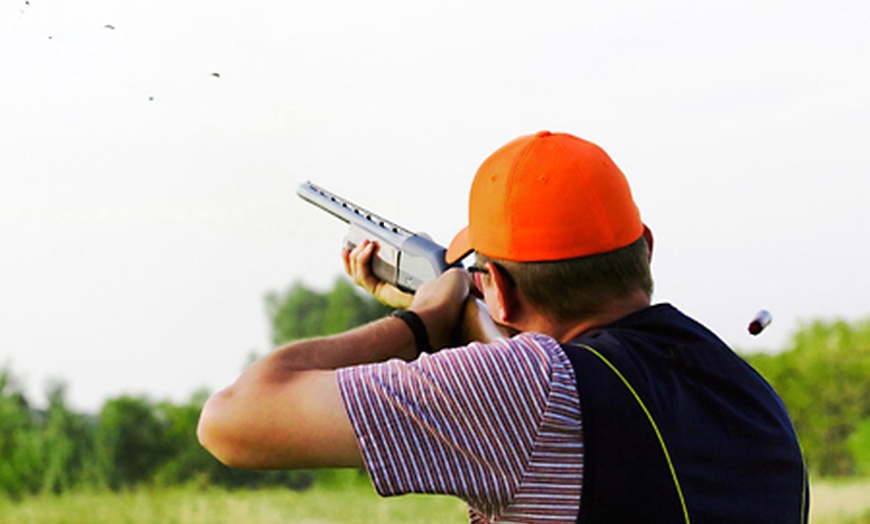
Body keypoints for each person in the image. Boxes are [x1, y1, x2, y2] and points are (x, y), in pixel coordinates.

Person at [198, 131, 809, 523]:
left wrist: (420, 321)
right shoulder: (750, 395)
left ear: (499, 289)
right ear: (644, 248)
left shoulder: (529, 389)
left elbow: (233, 421)